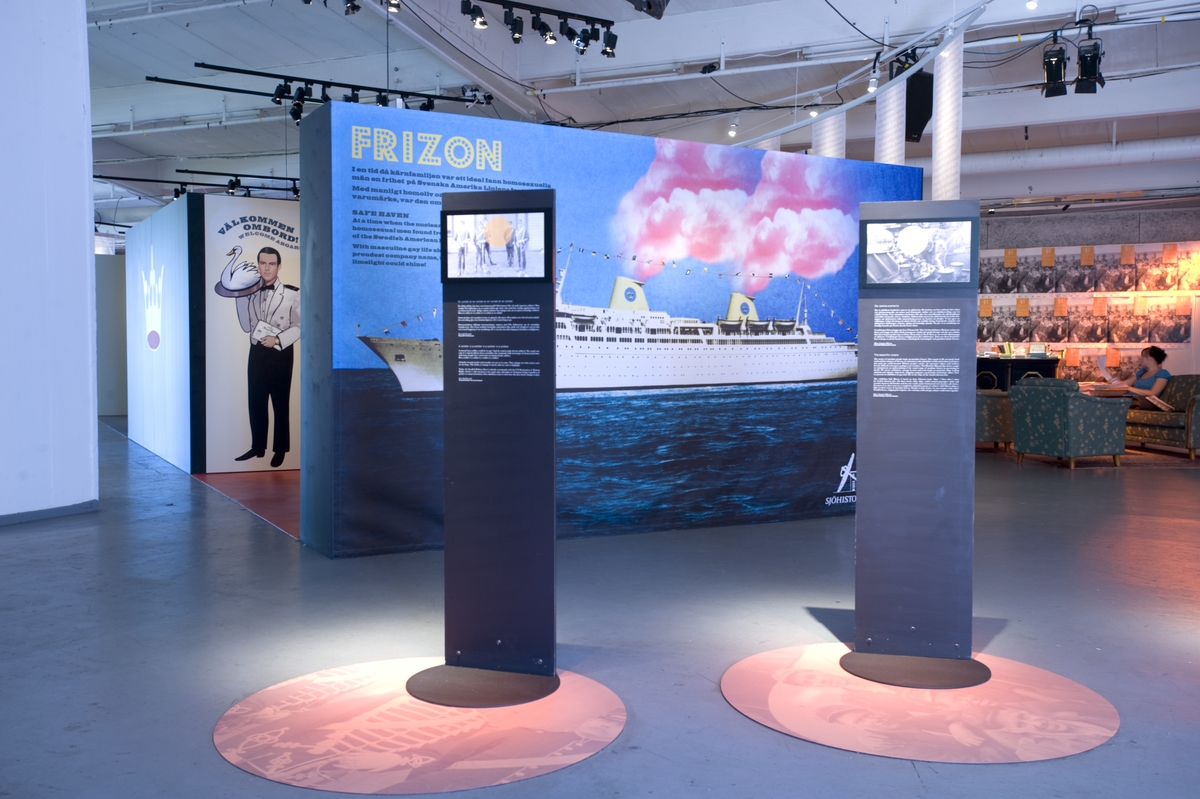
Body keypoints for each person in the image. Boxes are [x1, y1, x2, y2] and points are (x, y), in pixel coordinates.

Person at [234, 247, 300, 467]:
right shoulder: (250, 293)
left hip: (280, 351)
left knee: (280, 402)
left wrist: (278, 339)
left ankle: (280, 449)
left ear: (279, 266)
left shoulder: (292, 294)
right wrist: (238, 295)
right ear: (258, 265)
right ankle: (258, 446)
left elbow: (300, 325)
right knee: (256, 400)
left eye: (271, 264)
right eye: (263, 263)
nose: (267, 268)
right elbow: (246, 326)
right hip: (257, 351)